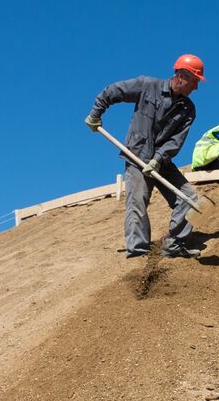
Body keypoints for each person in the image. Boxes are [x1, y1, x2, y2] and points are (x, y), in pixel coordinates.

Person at [85, 55, 204, 258]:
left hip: (162, 163)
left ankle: (174, 245)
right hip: (136, 155)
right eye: (195, 81)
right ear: (182, 76)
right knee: (137, 202)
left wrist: (158, 159)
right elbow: (112, 91)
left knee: (190, 198)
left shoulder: (188, 110)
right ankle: (138, 251)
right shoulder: (147, 86)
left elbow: (175, 141)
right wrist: (96, 113)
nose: (196, 88)